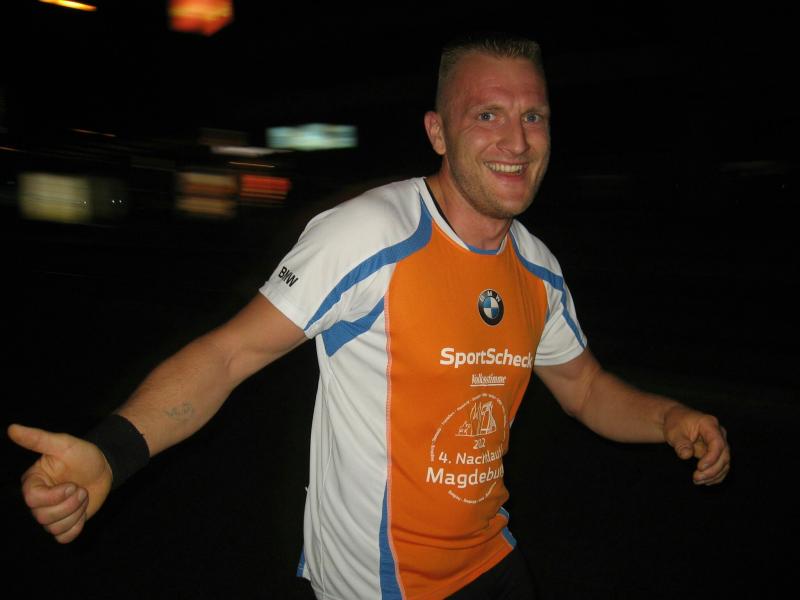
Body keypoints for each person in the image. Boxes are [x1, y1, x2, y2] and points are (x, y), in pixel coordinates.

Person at [8, 33, 730, 599]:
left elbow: (586, 388)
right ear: (438, 132)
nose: (516, 142)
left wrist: (669, 418)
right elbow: (229, 355)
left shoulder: (537, 267)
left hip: (492, 558)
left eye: (532, 116)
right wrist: (113, 452)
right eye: (487, 115)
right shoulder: (369, 235)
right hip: (378, 585)